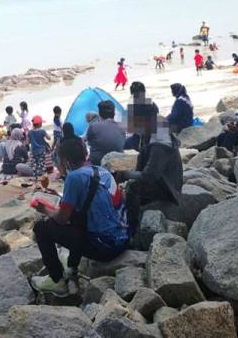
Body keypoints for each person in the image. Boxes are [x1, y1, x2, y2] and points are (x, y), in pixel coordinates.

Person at [30, 138, 128, 296]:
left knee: (41, 227)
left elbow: (62, 218)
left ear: (66, 162)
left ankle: (56, 281)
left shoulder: (74, 177)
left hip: (104, 248)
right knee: (78, 218)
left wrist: (44, 209)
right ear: (85, 154)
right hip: (122, 239)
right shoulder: (101, 171)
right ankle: (71, 267)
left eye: (59, 161)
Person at [116, 118, 182, 236]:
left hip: (168, 186)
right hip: (162, 179)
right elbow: (141, 166)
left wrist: (125, 175)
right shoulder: (149, 132)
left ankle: (132, 232)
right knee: (126, 190)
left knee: (133, 188)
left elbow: (150, 175)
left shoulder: (160, 142)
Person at [85, 101, 125, 165]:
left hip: (99, 166)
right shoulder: (122, 127)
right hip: (118, 164)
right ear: (114, 114)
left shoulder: (94, 126)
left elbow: (88, 141)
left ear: (99, 114)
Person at [27, 116, 51, 181]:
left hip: (33, 151)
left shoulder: (30, 132)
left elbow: (27, 142)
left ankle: (36, 179)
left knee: (34, 166)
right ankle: (44, 179)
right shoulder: (42, 131)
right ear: (40, 124)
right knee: (42, 164)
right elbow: (49, 138)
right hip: (41, 151)